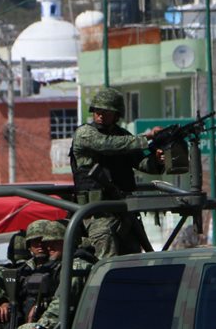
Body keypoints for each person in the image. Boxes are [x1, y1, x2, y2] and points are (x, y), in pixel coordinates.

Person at [69, 87, 164, 259]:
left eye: (106, 111)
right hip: (98, 214)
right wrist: (146, 138)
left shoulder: (124, 137)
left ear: (116, 114)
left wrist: (158, 160)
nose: (100, 115)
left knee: (134, 263)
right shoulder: (85, 133)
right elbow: (106, 144)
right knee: (108, 265)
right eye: (97, 111)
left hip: (125, 212)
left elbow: (141, 163)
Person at [12, 219, 66, 329]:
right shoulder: (23, 270)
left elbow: (60, 299)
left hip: (49, 326)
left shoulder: (61, 266)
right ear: (29, 245)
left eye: (44, 241)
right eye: (35, 241)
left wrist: (40, 326)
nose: (41, 245)